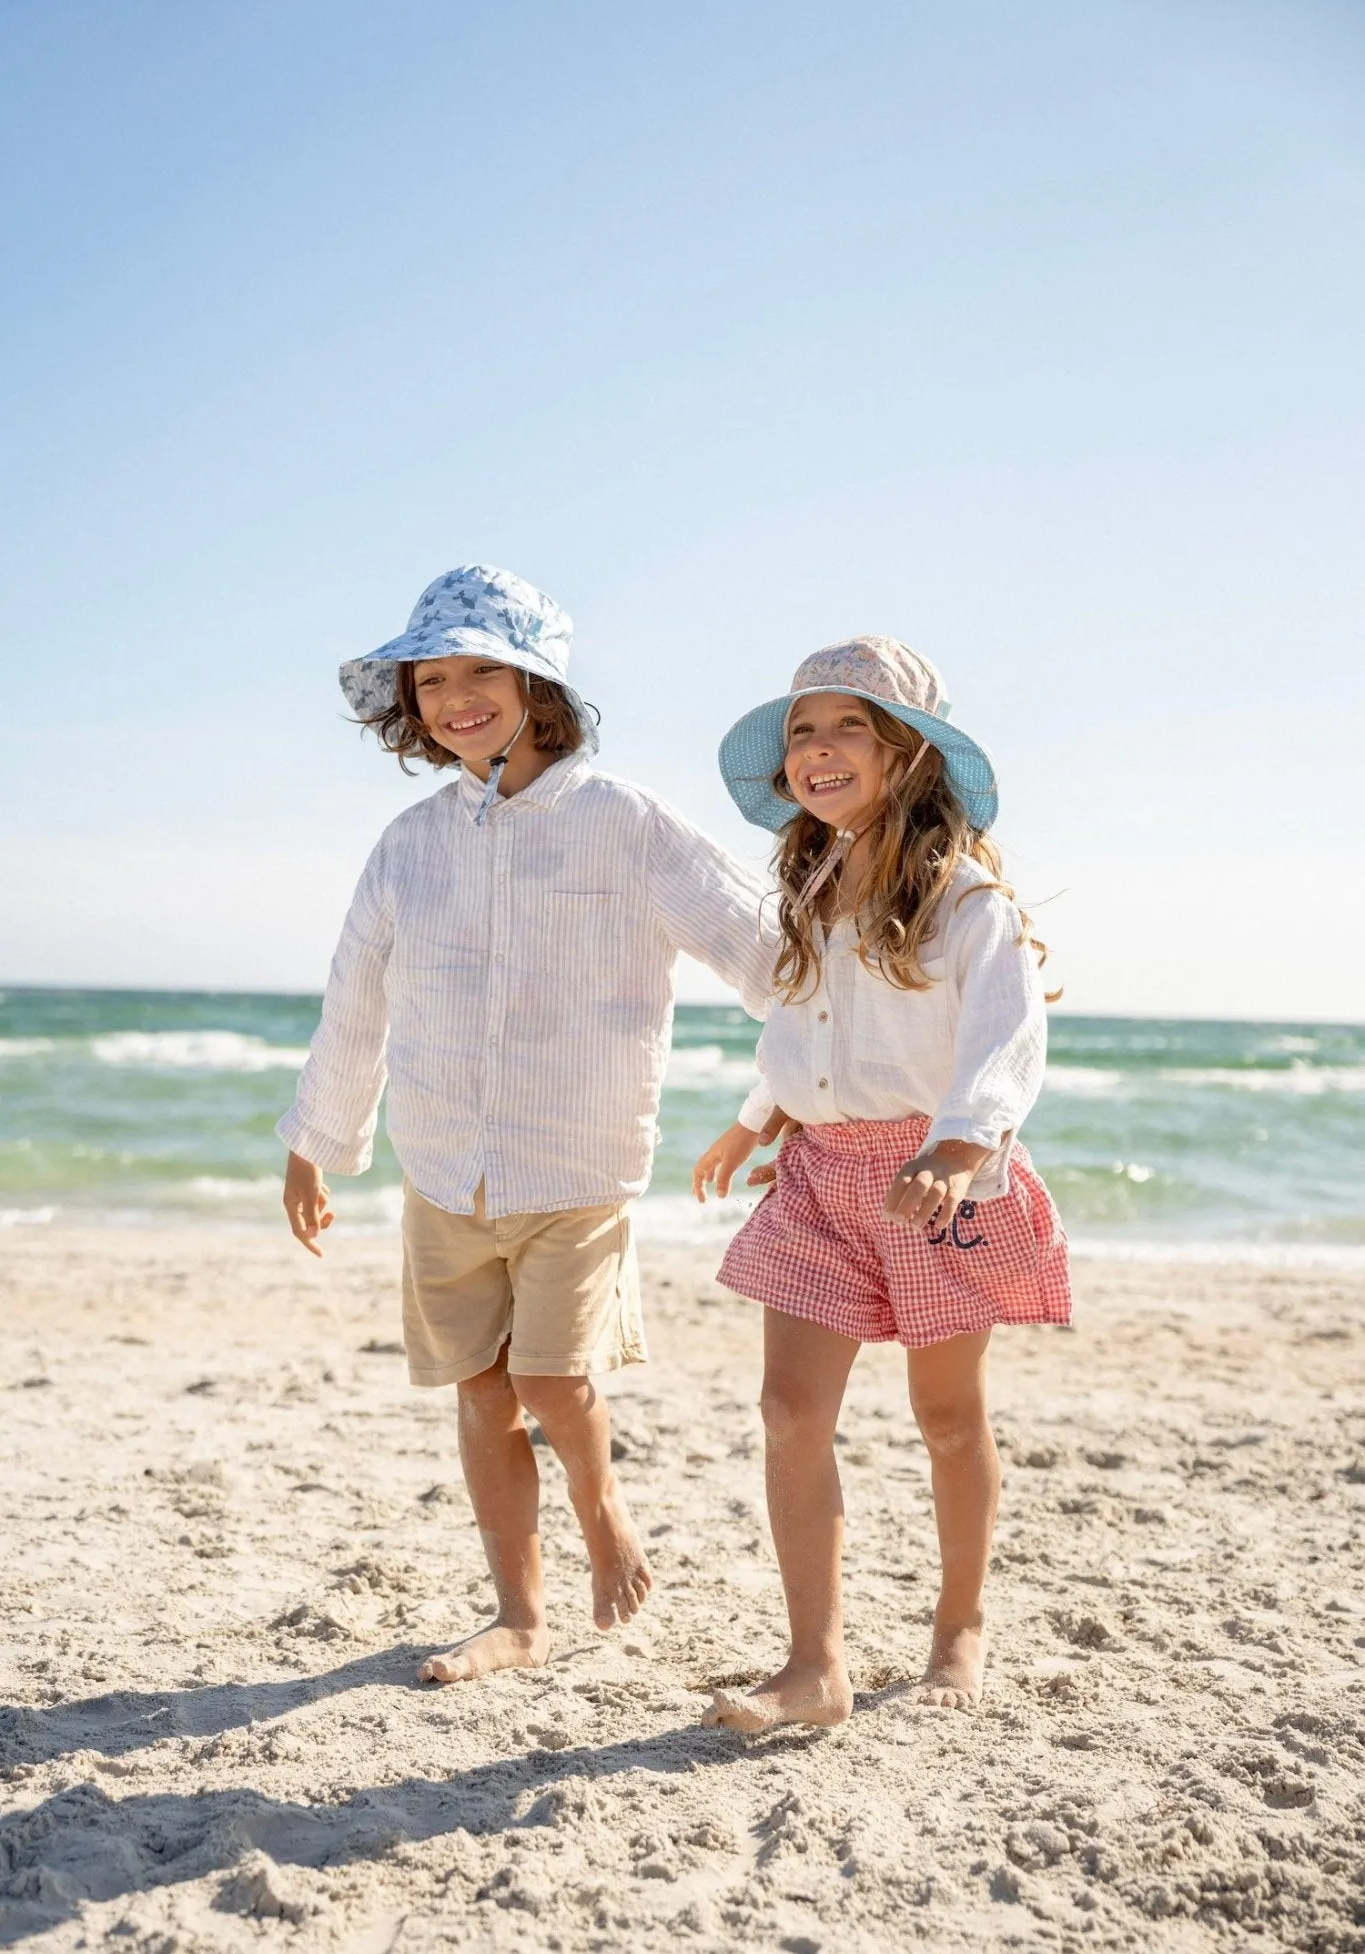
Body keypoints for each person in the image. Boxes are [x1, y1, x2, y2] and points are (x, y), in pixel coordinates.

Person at [278, 564, 771, 1685]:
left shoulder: (624, 822)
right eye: (433, 677)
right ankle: (519, 1614)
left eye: (480, 670)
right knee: (483, 1395)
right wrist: (319, 1137)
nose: (456, 696)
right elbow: (358, 992)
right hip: (446, 1165)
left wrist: (854, 1022)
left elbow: (761, 943)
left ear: (537, 683)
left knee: (552, 1382)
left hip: (577, 1162)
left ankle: (604, 1516)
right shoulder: (410, 842)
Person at [692, 636, 1070, 1731]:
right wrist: (756, 1117)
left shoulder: (965, 903)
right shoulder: (810, 884)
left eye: (845, 726)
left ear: (908, 756)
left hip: (936, 1180)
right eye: (801, 731)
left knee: (946, 1414)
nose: (815, 748)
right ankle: (814, 1664)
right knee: (788, 1409)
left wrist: (959, 1146)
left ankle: (960, 1626)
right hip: (820, 1180)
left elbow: (1009, 1033)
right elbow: (799, 1022)